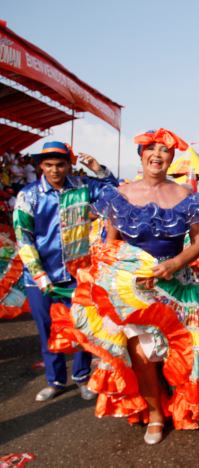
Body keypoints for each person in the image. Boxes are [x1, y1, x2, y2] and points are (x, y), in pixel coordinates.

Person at [50, 129, 199, 444]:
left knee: (193, 352)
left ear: (172, 158)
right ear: (141, 155)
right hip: (135, 291)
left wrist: (174, 264)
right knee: (143, 358)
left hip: (179, 286)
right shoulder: (120, 194)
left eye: (165, 151)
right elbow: (110, 245)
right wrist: (119, 280)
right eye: (152, 150)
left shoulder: (186, 194)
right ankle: (156, 416)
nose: (158, 156)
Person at [13, 141, 118, 401]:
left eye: (60, 164)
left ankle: (82, 377)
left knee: (82, 327)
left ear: (69, 165)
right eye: (49, 165)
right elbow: (23, 237)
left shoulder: (84, 188)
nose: (55, 170)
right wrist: (39, 275)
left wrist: (99, 169)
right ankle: (56, 380)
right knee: (47, 330)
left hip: (77, 275)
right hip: (39, 278)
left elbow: (116, 194)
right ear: (40, 166)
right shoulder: (28, 195)